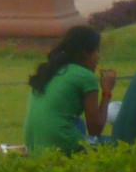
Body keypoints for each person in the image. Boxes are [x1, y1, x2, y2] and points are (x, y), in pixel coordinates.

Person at [24, 25, 117, 154]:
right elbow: (95, 130)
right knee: (118, 144)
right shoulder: (86, 76)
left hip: (35, 143)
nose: (99, 56)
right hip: (61, 142)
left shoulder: (50, 70)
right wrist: (107, 91)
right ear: (85, 52)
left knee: (78, 123)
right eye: (97, 50)